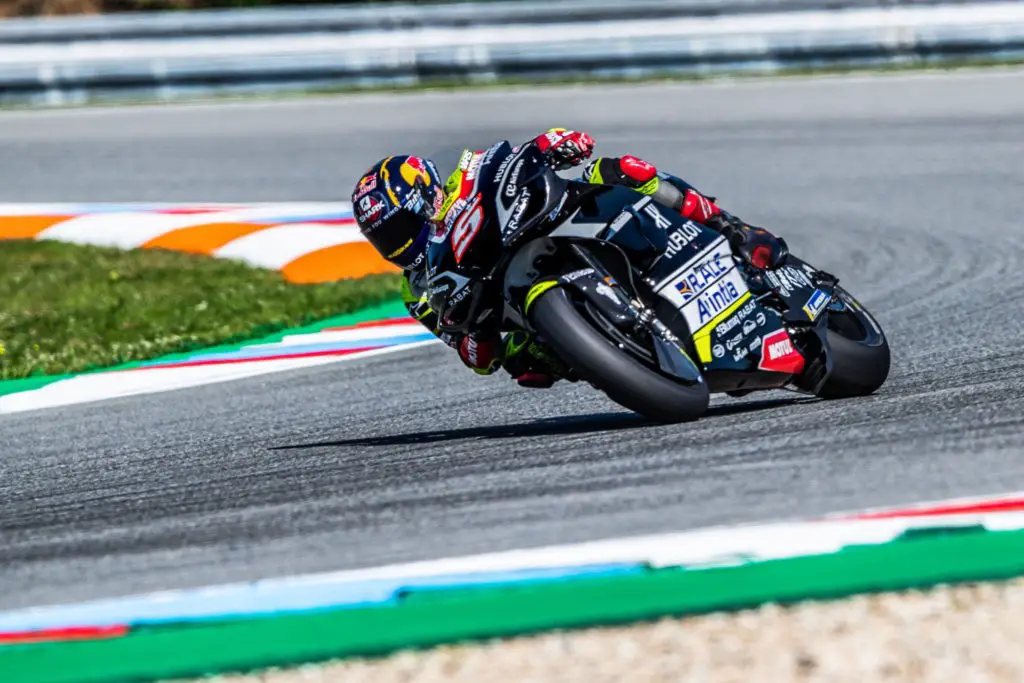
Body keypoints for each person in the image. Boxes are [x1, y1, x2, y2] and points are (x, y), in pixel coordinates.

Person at [350, 128, 788, 389]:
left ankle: (728, 225)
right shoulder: (417, 289)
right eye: (385, 238)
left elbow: (510, 163)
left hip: (545, 227)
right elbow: (476, 358)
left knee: (619, 171)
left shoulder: (466, 176)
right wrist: (472, 338)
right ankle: (615, 355)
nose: (398, 244)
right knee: (524, 364)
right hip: (513, 303)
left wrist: (552, 143)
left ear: (426, 193)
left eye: (400, 228)